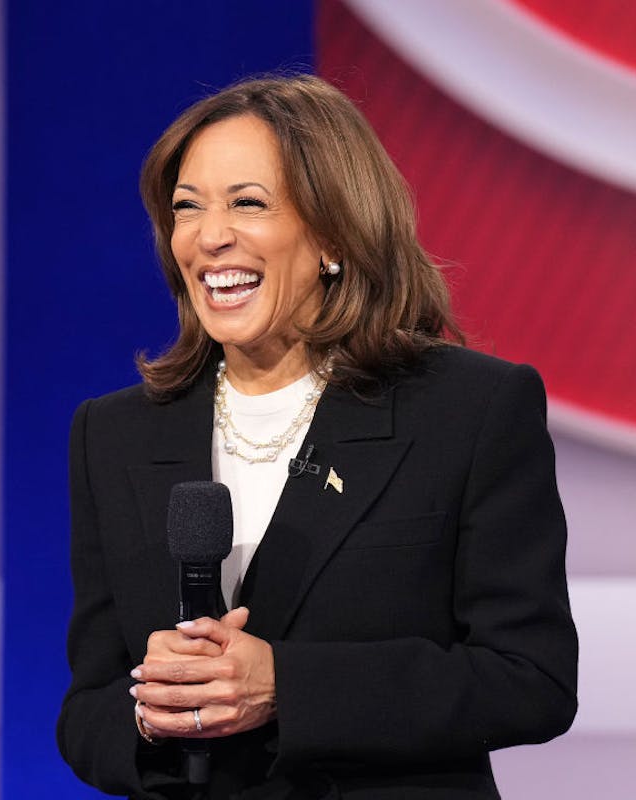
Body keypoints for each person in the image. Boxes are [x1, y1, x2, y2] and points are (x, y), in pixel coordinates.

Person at [57, 74, 578, 799]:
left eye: (247, 203)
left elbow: (530, 679)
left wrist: (287, 686)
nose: (209, 236)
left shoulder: (468, 410)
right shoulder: (114, 433)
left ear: (334, 233)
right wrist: (153, 714)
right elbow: (87, 708)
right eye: (186, 207)